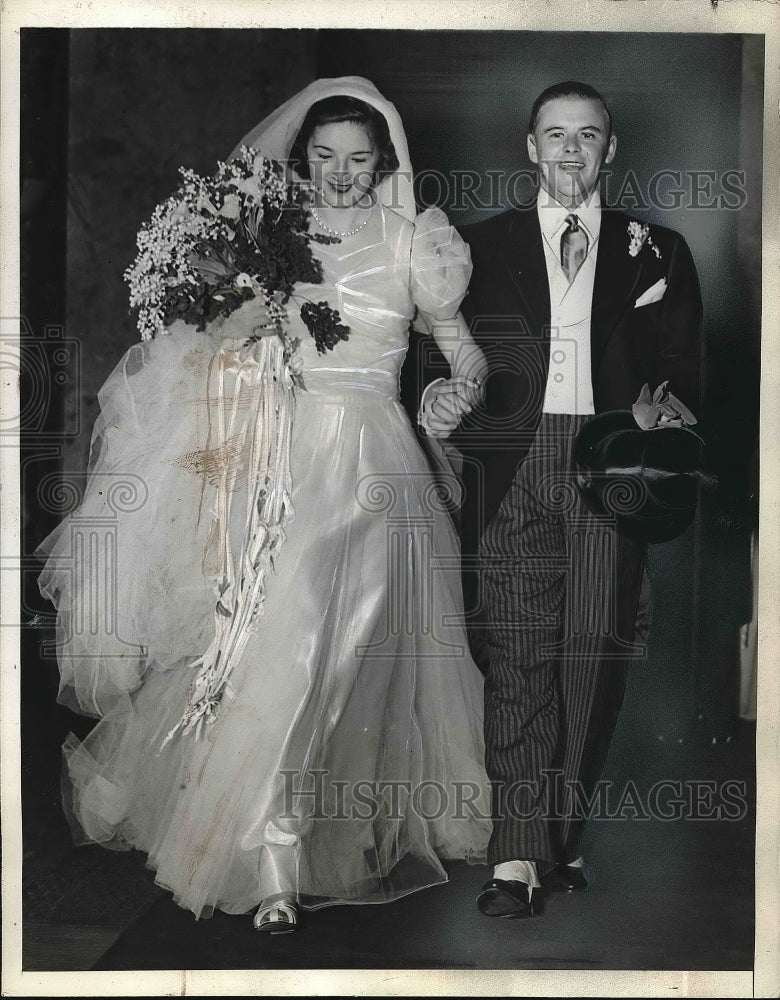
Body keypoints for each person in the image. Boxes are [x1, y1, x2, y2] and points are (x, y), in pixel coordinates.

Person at [36, 77, 492, 934]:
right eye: (325, 157)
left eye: (359, 160)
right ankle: (270, 860)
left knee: (352, 663)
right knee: (283, 649)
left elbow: (467, 357)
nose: (341, 174)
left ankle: (332, 832)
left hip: (381, 468)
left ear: (383, 163)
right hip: (279, 465)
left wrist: (452, 400)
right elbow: (210, 351)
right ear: (303, 159)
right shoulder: (265, 239)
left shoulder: (415, 247)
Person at [418, 81, 702, 917]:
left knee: (590, 655)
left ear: (610, 150)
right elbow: (445, 359)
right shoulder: (478, 249)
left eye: (587, 136)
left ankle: (557, 837)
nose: (570, 151)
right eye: (555, 136)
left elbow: (688, 369)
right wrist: (439, 402)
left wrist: (660, 410)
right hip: (511, 468)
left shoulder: (661, 252)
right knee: (518, 657)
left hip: (611, 462)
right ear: (529, 148)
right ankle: (516, 856)